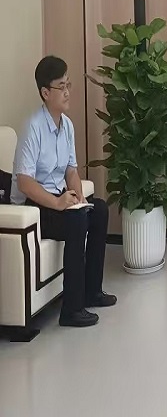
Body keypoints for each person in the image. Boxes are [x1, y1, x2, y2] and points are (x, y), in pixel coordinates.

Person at [10, 56, 116, 328]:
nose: (68, 92)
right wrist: (59, 204)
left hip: (57, 199)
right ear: (46, 93)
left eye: (69, 84)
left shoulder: (66, 125)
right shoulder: (33, 127)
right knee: (77, 220)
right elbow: (24, 182)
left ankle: (92, 291)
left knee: (98, 210)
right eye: (61, 86)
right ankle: (71, 310)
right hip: (33, 207)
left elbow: (70, 170)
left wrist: (79, 197)